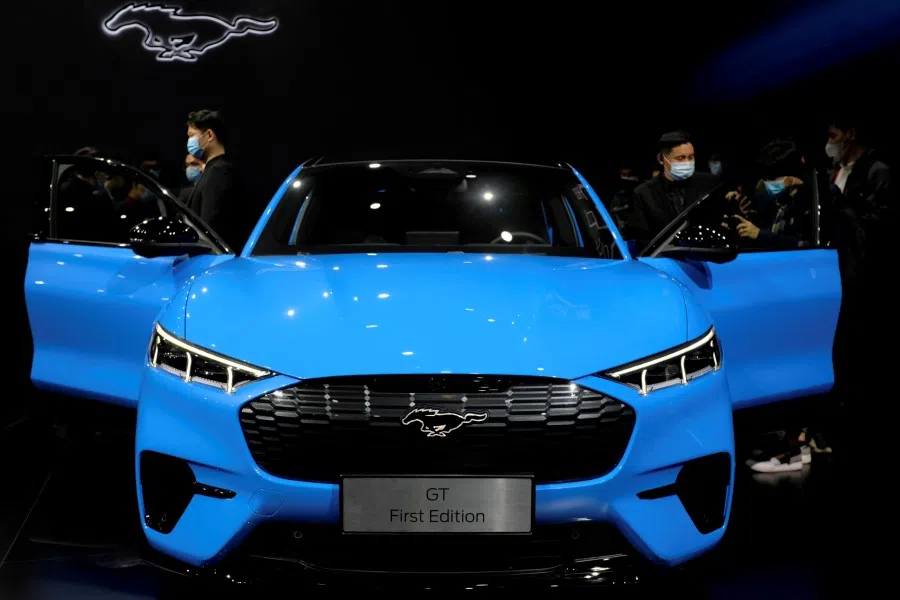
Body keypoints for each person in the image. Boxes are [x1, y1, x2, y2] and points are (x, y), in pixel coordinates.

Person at [627, 131, 718, 246]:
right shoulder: (644, 193)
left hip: (705, 256)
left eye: (691, 157)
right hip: (664, 260)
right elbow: (642, 240)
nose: (687, 163)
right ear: (661, 159)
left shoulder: (709, 183)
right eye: (680, 158)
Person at [725, 139, 813, 250]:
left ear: (791, 176)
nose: (768, 183)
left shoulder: (810, 200)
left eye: (771, 178)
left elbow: (803, 243)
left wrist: (759, 234)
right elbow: (759, 218)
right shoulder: (775, 197)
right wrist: (741, 212)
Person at [185, 109, 245, 248]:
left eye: (191, 136)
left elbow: (211, 231)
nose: (189, 142)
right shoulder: (214, 170)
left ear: (210, 135)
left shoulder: (219, 171)